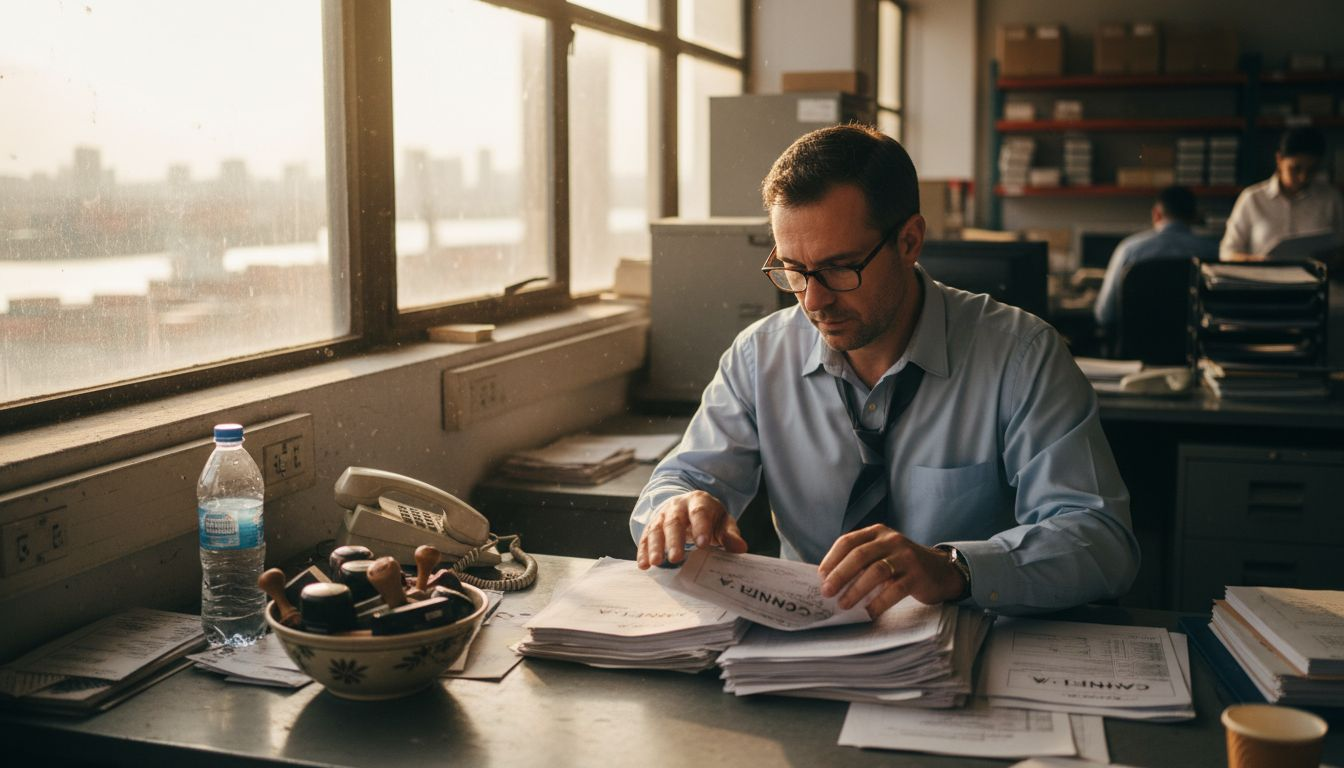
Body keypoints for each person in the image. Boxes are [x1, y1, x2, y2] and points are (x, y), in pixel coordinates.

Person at [630, 125, 1140, 618]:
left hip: (969, 648)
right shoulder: (759, 355)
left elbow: (1100, 539)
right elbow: (682, 477)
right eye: (793, 270)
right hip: (805, 651)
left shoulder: (1021, 356)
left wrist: (956, 567)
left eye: (838, 268)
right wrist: (676, 506)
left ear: (909, 242)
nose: (813, 299)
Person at [1093, 185, 1217, 335]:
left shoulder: (1129, 250)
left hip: (1136, 350)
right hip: (1195, 351)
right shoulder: (1213, 251)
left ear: (1156, 214)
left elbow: (1104, 314)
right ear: (1194, 216)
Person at [1220, 126, 1344, 261]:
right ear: (1279, 160)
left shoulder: (1331, 199)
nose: (1303, 177)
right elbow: (1227, 253)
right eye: (1295, 169)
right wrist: (1259, 261)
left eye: (1312, 170)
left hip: (1316, 280)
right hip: (1264, 279)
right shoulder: (1252, 198)